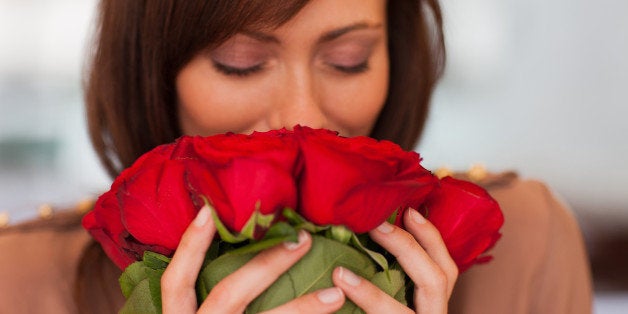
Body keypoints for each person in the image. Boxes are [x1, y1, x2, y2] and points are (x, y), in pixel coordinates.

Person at [0, 0, 592, 313]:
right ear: (151, 69)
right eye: (239, 63)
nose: (298, 117)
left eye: (349, 59)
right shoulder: (20, 283)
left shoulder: (526, 244)